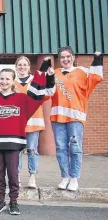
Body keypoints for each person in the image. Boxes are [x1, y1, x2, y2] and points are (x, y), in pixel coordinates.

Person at [0, 59, 55, 215]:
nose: (4, 81)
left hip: (14, 142)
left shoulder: (22, 99)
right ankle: (0, 200)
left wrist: (41, 72)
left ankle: (14, 202)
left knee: (13, 175)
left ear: (13, 81)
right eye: (1, 78)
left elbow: (37, 96)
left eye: (7, 78)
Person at [50, 48, 103, 191]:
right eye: (62, 57)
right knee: (61, 148)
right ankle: (65, 176)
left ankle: (74, 178)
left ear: (73, 57)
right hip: (57, 117)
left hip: (75, 117)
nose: (65, 59)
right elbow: (46, 90)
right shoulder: (55, 73)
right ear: (59, 59)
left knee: (75, 147)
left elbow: (96, 76)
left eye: (68, 56)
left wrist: (97, 58)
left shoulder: (82, 71)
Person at [14, 56, 48, 189]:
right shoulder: (12, 82)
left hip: (34, 122)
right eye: (19, 65)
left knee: (32, 150)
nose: (22, 67)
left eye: (25, 65)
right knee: (16, 151)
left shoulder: (36, 81)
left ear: (29, 67)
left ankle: (32, 176)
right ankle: (16, 176)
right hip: (17, 123)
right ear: (16, 67)